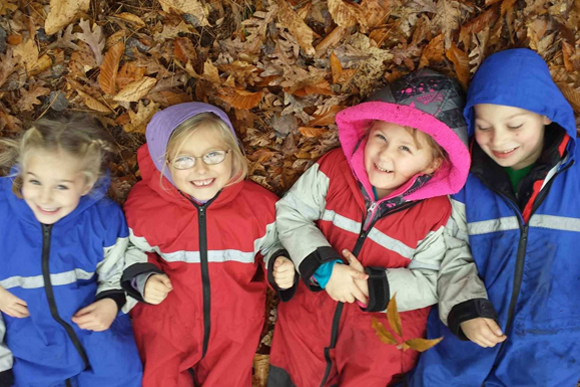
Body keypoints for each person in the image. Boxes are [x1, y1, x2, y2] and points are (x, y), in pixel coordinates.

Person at [267, 69, 470, 387]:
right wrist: (326, 269)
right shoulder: (334, 168)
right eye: (381, 137)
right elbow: (291, 213)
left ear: (433, 163)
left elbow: (435, 278)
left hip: (380, 337)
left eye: (406, 149)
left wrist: (370, 288)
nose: (386, 154)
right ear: (368, 130)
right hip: (307, 321)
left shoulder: (437, 213)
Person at [407, 48, 580, 387]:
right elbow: (445, 249)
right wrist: (464, 308)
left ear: (546, 114)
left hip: (549, 358)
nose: (498, 141)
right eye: (484, 127)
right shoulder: (461, 179)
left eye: (515, 125)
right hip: (460, 350)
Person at [121, 102, 296, 387]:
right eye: (184, 159)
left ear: (232, 155)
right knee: (160, 379)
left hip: (234, 325)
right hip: (166, 324)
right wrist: (142, 276)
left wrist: (279, 263)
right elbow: (131, 249)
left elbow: (272, 244)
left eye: (213, 155)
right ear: (162, 163)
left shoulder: (257, 206)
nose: (201, 169)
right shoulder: (146, 208)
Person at [0, 116, 142, 387]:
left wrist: (112, 302)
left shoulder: (103, 218)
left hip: (96, 334)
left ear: (86, 185)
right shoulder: (3, 211)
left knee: (120, 375)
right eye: (35, 182)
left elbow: (123, 268)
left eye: (62, 186)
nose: (45, 198)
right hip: (30, 347)